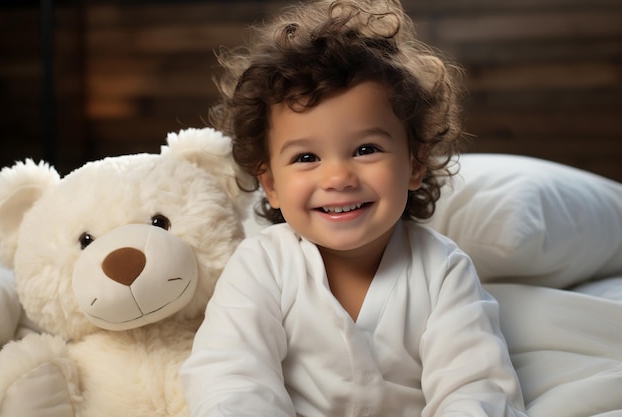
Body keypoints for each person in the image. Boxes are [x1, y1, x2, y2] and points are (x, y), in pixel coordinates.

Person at [180, 1, 527, 416]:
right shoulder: (263, 264)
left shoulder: (442, 270)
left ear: (414, 164)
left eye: (366, 149)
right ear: (271, 184)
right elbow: (230, 376)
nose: (338, 177)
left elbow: (476, 384)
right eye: (306, 158)